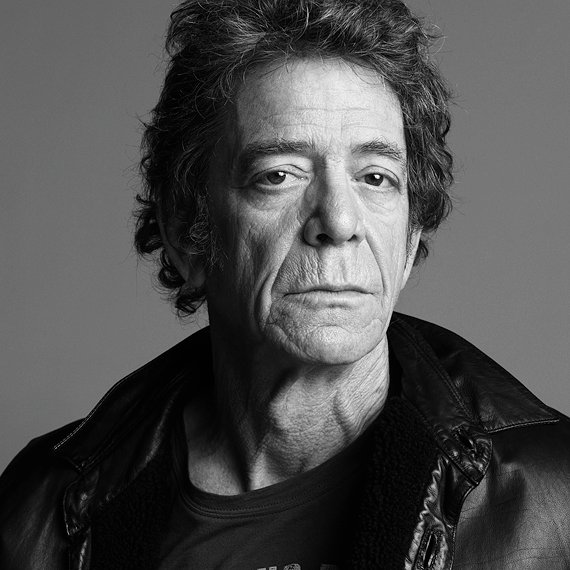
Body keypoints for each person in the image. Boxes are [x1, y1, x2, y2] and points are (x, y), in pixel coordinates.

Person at [1, 0, 569, 568]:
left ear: (409, 237)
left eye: (376, 177)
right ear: (186, 233)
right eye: (279, 175)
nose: (339, 221)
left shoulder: (551, 497)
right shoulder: (42, 511)